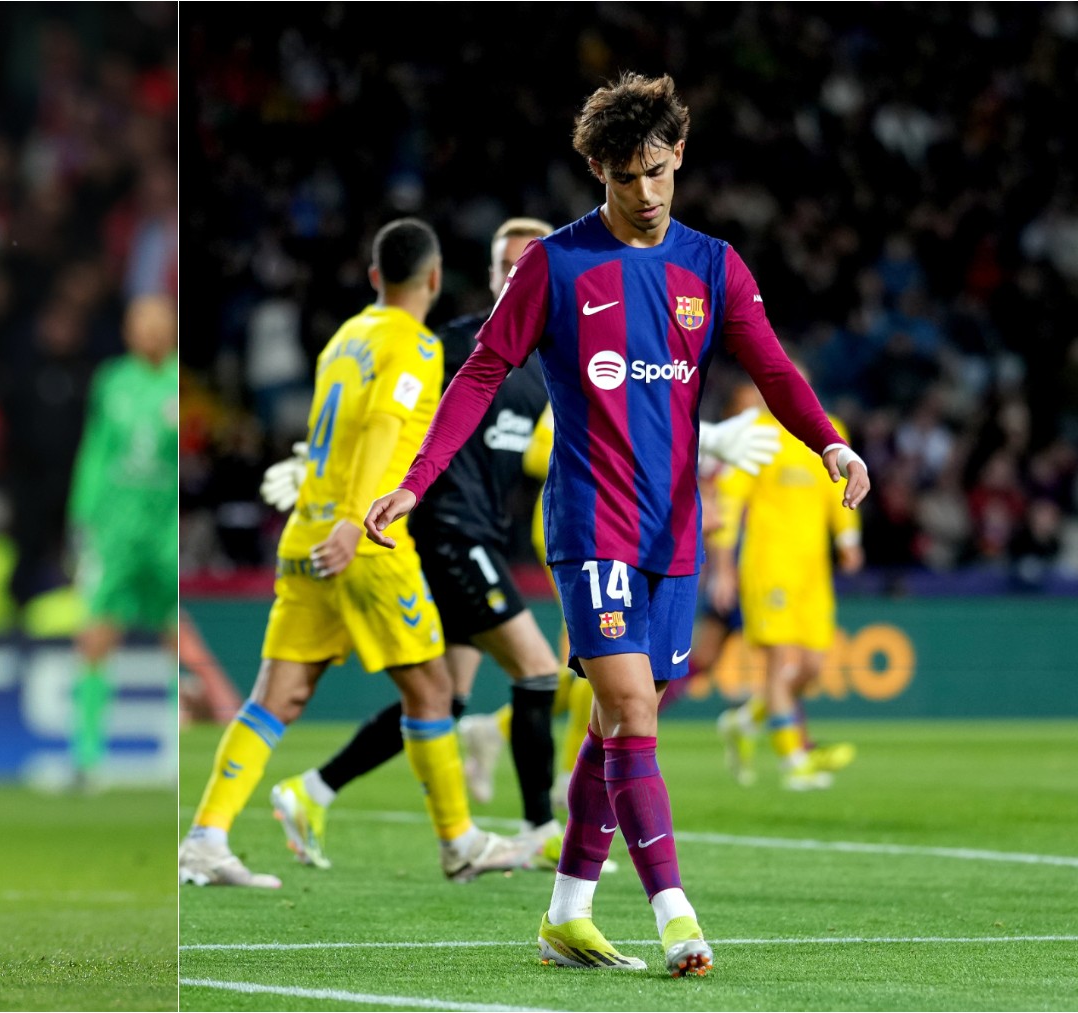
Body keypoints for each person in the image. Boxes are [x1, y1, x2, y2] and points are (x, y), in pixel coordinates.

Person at [364, 73, 870, 977]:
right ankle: (677, 916)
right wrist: (414, 481)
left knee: (616, 722)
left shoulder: (713, 265)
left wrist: (830, 444)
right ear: (597, 168)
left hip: (675, 529)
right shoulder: (554, 266)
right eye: (629, 175)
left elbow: (776, 371)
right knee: (633, 712)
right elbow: (478, 375)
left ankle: (565, 914)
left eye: (662, 171)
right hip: (592, 519)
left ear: (679, 160)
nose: (648, 192)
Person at [264, 220, 779, 873]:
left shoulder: (552, 365)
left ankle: (314, 790)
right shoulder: (453, 347)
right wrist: (321, 464)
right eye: (506, 263)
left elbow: (588, 440)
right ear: (488, 273)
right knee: (537, 670)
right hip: (444, 529)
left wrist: (702, 443)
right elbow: (390, 411)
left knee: (441, 698)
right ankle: (538, 824)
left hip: (484, 534)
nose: (516, 273)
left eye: (526, 262)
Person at [179, 218, 525, 889]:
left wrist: (326, 507)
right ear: (432, 278)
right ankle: (459, 842)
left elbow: (332, 432)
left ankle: (206, 837)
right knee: (431, 688)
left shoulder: (343, 339)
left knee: (276, 694)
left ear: (375, 277)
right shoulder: (416, 346)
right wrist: (352, 519)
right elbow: (382, 428)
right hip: (363, 536)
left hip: (305, 533)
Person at [712, 381, 863, 790]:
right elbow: (728, 502)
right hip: (769, 565)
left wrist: (848, 538)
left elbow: (838, 489)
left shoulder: (829, 429)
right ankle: (794, 760)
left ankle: (744, 721)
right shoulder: (758, 435)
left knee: (811, 668)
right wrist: (722, 567)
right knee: (784, 663)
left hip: (814, 570)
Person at [67, 295, 180, 787]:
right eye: (141, 323)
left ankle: (183, 753)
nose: (150, 332)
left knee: (177, 636)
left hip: (166, 527)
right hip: (115, 528)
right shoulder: (112, 380)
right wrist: (82, 515)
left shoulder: (181, 382)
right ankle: (87, 759)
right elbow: (96, 449)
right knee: (96, 635)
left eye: (159, 323)